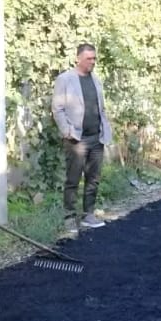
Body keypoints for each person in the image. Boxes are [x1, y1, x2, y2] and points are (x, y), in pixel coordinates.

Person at [52, 43, 113, 233]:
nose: (92, 62)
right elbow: (57, 108)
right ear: (78, 58)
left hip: (96, 137)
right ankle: (69, 217)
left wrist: (105, 129)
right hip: (76, 139)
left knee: (93, 178)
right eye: (89, 58)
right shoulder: (65, 79)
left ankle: (88, 214)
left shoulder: (96, 80)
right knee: (73, 179)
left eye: (94, 58)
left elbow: (101, 107)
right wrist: (67, 131)